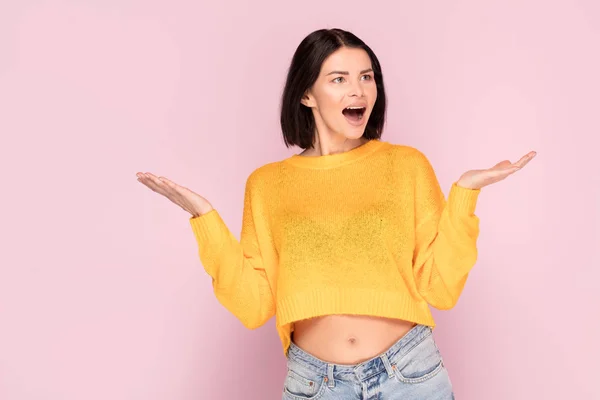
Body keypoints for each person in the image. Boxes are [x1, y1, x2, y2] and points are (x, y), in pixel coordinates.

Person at [136, 28, 536, 399]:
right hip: (315, 384)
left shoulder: (405, 165)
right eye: (339, 79)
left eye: (367, 77)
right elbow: (254, 303)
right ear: (306, 94)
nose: (358, 90)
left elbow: (440, 287)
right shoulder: (267, 184)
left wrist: (465, 193)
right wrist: (205, 218)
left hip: (412, 375)